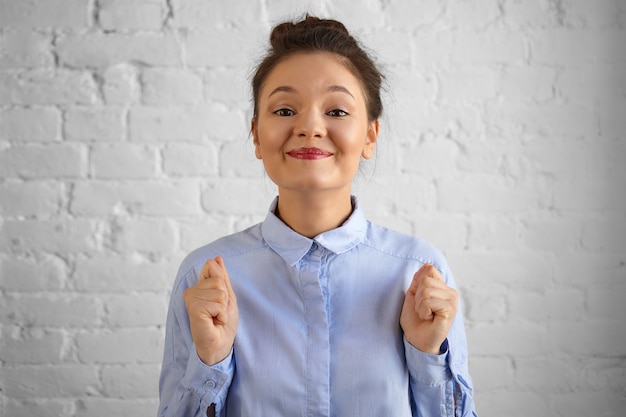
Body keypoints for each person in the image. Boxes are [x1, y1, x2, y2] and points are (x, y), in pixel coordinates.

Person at [158, 15, 478, 417]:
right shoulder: (204, 280)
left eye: (338, 112)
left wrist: (427, 355)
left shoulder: (419, 273)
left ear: (370, 136)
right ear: (256, 135)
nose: (310, 126)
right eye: (286, 109)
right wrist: (211, 360)